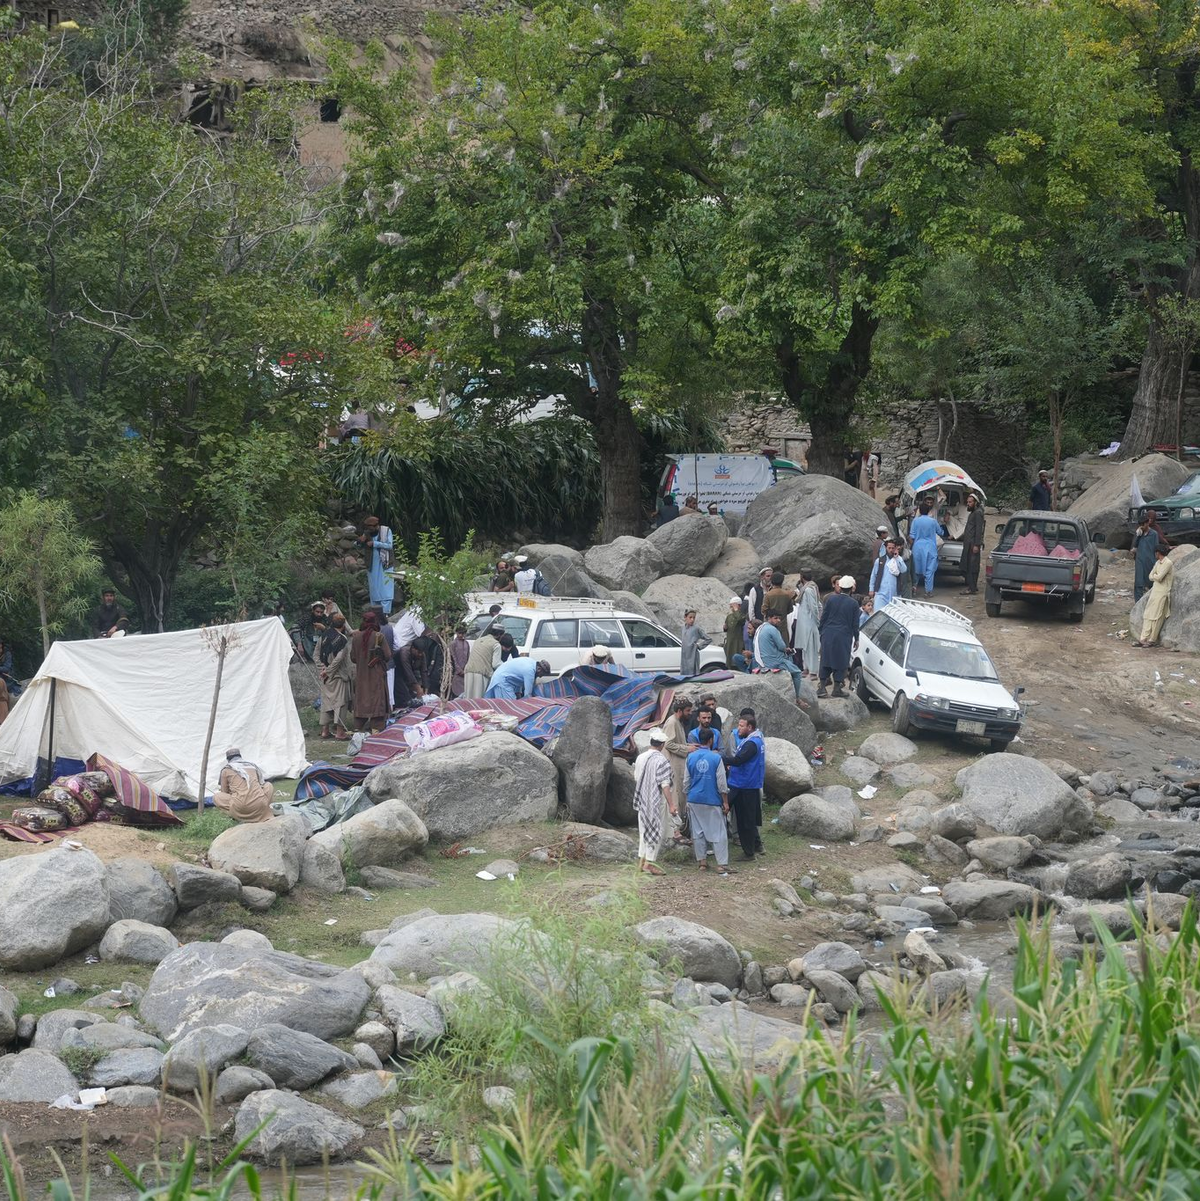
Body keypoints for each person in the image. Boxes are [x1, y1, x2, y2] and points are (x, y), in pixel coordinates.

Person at [685, 728, 733, 875]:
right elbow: (721, 784)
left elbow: (686, 782)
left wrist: (688, 797)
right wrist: (725, 802)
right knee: (718, 832)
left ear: (699, 740)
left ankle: (702, 863)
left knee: (698, 832)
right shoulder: (716, 758)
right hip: (711, 799)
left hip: (694, 799)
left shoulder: (690, 757)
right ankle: (722, 865)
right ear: (711, 740)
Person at [633, 728, 677, 875]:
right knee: (655, 832)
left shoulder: (641, 757)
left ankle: (642, 862)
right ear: (662, 744)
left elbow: (637, 777)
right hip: (655, 800)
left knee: (643, 832)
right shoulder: (661, 760)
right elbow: (665, 785)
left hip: (642, 799)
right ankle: (649, 864)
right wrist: (671, 804)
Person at [724, 712, 765, 861]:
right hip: (747, 783)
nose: (738, 729)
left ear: (750, 727)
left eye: (741, 726)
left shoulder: (751, 744)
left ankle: (749, 853)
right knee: (750, 818)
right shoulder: (757, 738)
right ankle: (757, 845)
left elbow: (739, 760)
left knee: (744, 820)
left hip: (744, 785)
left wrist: (722, 759)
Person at [818, 576, 861, 698]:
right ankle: (837, 688)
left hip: (828, 633)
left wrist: (821, 631)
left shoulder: (831, 599)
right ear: (851, 588)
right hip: (843, 635)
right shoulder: (853, 604)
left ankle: (821, 688)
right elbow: (855, 624)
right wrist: (856, 638)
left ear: (840, 587)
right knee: (841, 661)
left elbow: (824, 617)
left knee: (825, 659)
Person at [351, 610, 393, 732]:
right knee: (376, 700)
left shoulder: (356, 637)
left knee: (362, 699)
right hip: (376, 674)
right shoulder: (378, 636)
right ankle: (376, 728)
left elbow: (353, 658)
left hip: (361, 675)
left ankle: (358, 727)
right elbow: (387, 655)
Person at [757, 612, 807, 705]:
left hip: (762, 661)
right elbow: (781, 646)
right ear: (769, 618)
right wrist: (786, 649)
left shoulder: (760, 628)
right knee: (797, 672)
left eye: (779, 618)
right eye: (775, 618)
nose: (778, 620)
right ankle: (797, 698)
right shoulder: (772, 629)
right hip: (773, 661)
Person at [662, 696, 694, 840]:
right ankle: (675, 832)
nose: (690, 713)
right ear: (680, 711)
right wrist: (687, 749)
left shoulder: (678, 722)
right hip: (672, 765)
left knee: (681, 796)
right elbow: (668, 744)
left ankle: (679, 829)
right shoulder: (672, 722)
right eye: (688, 711)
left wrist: (690, 747)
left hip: (679, 765)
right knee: (674, 796)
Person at [212, 748, 274, 823]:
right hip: (260, 805)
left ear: (228, 760)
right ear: (240, 756)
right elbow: (261, 784)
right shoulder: (252, 766)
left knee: (217, 797)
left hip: (241, 807)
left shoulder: (226, 770)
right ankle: (264, 812)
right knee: (268, 785)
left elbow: (224, 791)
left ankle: (238, 815)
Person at [317, 614, 353, 739]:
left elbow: (316, 654)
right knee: (340, 703)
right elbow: (338, 659)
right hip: (338, 675)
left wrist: (322, 667)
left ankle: (325, 731)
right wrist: (328, 671)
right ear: (343, 625)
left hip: (325, 676)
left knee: (326, 702)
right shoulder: (342, 639)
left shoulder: (324, 635)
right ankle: (340, 732)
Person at [1134, 547, 1174, 647]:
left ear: (1158, 553)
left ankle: (1152, 640)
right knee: (1148, 614)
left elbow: (1159, 578)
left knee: (1157, 616)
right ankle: (1143, 638)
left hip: (1163, 592)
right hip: (1155, 591)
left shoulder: (1168, 563)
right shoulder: (1157, 563)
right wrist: (1155, 576)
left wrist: (1155, 576)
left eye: (1155, 553)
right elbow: (1150, 576)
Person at [359, 517, 395, 614]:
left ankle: (386, 613)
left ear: (376, 526)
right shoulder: (366, 533)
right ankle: (376, 614)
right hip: (372, 565)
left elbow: (389, 545)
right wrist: (360, 541)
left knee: (386, 590)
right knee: (374, 591)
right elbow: (358, 545)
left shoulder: (386, 530)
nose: (369, 530)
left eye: (370, 528)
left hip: (385, 564)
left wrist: (375, 543)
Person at [392, 605, 427, 700]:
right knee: (401, 684)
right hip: (398, 652)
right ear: (413, 649)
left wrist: (425, 687)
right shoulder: (404, 653)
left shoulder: (421, 653)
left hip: (403, 646)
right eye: (419, 653)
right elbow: (408, 672)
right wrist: (418, 688)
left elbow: (423, 671)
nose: (420, 655)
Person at [791, 572, 821, 678]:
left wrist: (817, 621)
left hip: (809, 621)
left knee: (811, 646)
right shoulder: (804, 589)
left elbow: (814, 606)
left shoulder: (808, 590)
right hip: (804, 622)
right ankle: (806, 668)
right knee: (805, 646)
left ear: (802, 577)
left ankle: (813, 670)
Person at [484, 656, 551, 700]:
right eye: (541, 675)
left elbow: (517, 678)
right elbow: (528, 694)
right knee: (508, 706)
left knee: (513, 703)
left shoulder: (531, 663)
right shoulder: (529, 671)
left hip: (507, 680)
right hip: (502, 680)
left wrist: (518, 693)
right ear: (539, 669)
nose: (540, 677)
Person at [909, 503, 940, 595]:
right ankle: (928, 591)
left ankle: (914, 588)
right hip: (930, 547)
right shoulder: (933, 521)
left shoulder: (915, 521)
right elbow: (940, 531)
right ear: (929, 511)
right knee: (930, 570)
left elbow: (912, 535)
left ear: (919, 510)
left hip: (917, 547)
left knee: (915, 569)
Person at [1132, 514, 1163, 602]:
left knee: (1150, 582)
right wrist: (1138, 535)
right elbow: (1135, 546)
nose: (1142, 526)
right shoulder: (1139, 533)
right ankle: (1137, 603)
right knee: (1138, 582)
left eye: (1143, 524)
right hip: (1139, 560)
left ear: (1147, 523)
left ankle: (1151, 602)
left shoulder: (1153, 534)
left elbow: (1156, 547)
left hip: (1150, 561)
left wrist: (1157, 561)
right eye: (1140, 525)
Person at [868, 538, 907, 609]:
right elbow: (873, 576)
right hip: (881, 593)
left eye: (893, 548)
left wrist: (897, 558)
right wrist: (871, 589)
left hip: (895, 594)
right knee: (878, 614)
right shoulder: (879, 561)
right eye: (889, 548)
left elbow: (904, 570)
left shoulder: (899, 559)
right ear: (886, 548)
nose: (891, 550)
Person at [463, 626, 501, 698]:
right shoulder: (496, 644)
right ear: (499, 635)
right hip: (481, 674)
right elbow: (496, 664)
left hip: (468, 671)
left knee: (468, 699)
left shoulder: (478, 640)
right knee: (478, 701)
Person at [960, 494, 986, 595]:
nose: (968, 504)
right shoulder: (974, 512)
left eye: (970, 502)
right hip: (969, 543)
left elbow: (979, 530)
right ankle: (972, 586)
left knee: (972, 566)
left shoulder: (978, 513)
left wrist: (977, 544)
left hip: (973, 544)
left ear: (975, 502)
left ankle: (971, 588)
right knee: (968, 565)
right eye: (967, 502)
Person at [680, 610, 711, 677]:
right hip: (684, 654)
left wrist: (699, 646)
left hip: (693, 654)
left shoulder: (696, 628)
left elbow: (708, 639)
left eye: (694, 618)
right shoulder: (683, 628)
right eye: (690, 617)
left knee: (693, 673)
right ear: (685, 617)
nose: (692, 620)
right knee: (684, 672)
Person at [723, 597, 745, 667]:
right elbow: (727, 627)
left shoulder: (742, 615)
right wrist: (725, 628)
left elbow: (740, 620)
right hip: (730, 641)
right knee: (729, 659)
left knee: (737, 660)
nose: (731, 608)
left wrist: (736, 610)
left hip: (738, 641)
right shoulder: (729, 616)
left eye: (733, 606)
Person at [449, 626, 471, 697]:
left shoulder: (466, 643)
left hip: (465, 672)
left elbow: (468, 657)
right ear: (456, 633)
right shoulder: (453, 644)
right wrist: (458, 670)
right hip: (456, 672)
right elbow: (453, 657)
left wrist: (466, 668)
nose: (461, 635)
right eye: (459, 633)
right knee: (455, 692)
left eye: (463, 633)